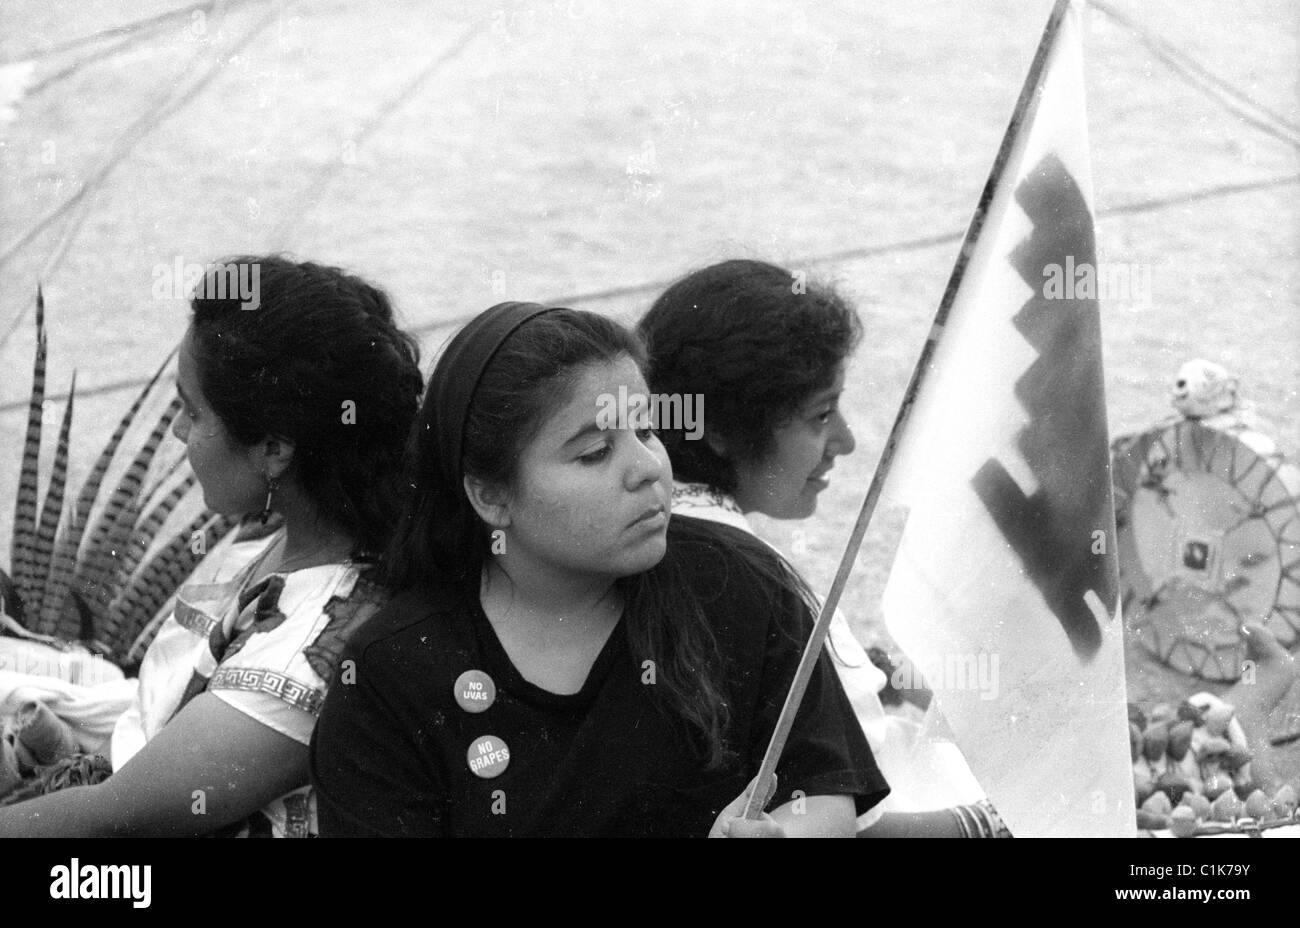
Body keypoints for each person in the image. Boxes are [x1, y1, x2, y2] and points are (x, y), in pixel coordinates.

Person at [308, 301, 887, 837]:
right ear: (490, 495)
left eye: (645, 430)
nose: (647, 469)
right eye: (594, 453)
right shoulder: (392, 675)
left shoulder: (737, 585)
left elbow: (823, 790)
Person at [0, 256, 423, 836]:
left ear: (274, 450)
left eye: (192, 411)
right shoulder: (279, 541)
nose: (176, 430)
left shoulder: (310, 651)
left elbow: (111, 820)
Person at [638, 259, 1009, 837]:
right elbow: (849, 827)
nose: (847, 441)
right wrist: (999, 823)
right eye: (820, 414)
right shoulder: (758, 585)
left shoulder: (640, 541)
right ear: (724, 431)